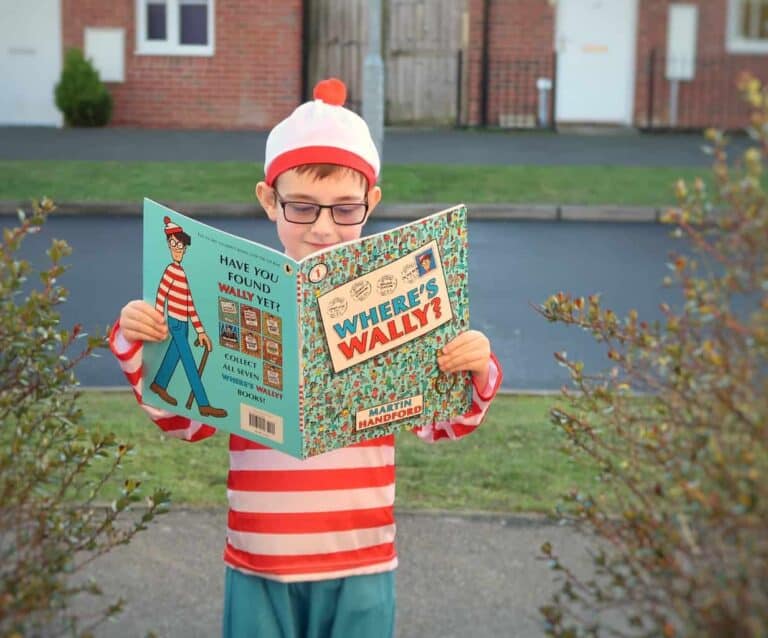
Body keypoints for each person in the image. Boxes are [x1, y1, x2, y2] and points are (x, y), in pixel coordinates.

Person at [112, 77, 503, 638]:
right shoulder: (236, 303)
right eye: (301, 207)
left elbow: (441, 426)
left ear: (371, 203)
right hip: (259, 561)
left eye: (345, 209)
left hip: (362, 561)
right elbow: (186, 423)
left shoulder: (395, 302)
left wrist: (474, 368)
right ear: (269, 200)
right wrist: (141, 341)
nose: (323, 228)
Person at [149, 216, 227, 417]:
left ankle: (159, 384)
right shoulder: (170, 271)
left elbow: (190, 304)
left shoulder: (182, 272)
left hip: (183, 324)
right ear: (168, 245)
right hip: (174, 323)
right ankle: (203, 403)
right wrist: (158, 320)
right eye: (174, 244)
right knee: (190, 363)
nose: (178, 249)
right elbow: (161, 295)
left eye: (181, 246)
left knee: (173, 356)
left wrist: (201, 331)